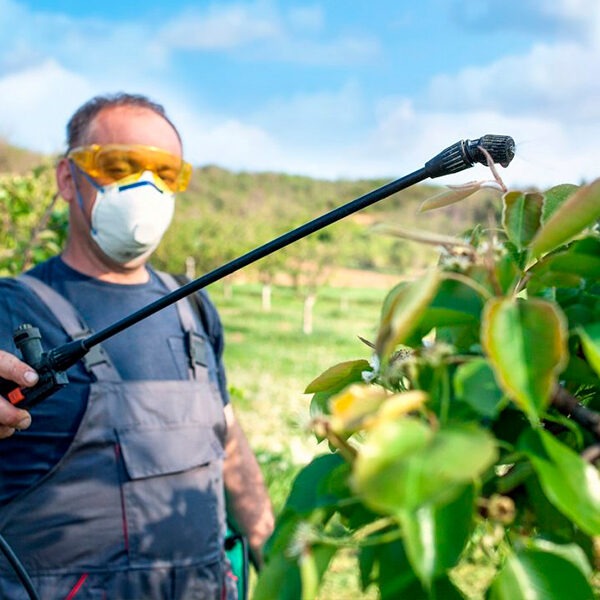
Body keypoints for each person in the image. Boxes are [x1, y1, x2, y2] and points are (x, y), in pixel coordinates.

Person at [0, 93, 274, 599]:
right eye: (120, 165)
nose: (144, 186)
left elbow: (228, 440)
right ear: (68, 178)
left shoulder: (191, 307)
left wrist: (272, 552)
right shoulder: (11, 310)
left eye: (164, 173)